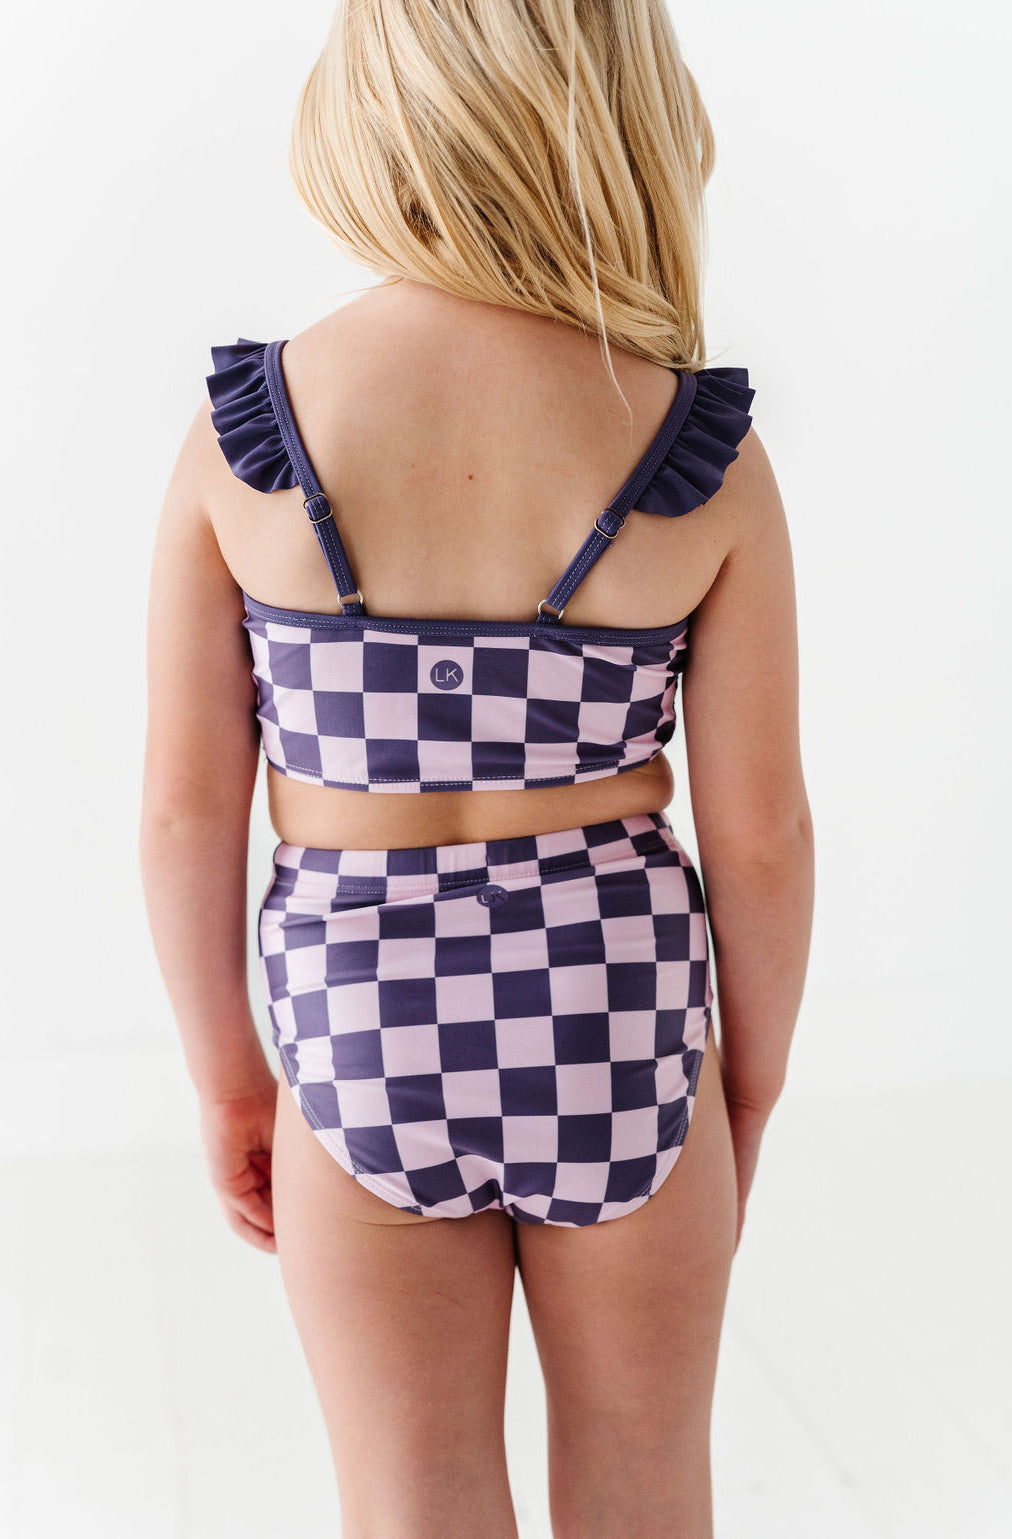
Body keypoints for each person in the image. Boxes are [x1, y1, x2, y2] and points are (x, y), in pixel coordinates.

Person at [139, 2, 814, 1534]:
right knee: (645, 1487)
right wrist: (747, 1078)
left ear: (370, 115)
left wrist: (229, 1072)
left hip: (362, 1011)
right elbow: (763, 833)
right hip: (616, 1002)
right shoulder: (687, 443)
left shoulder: (255, 434)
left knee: (412, 1499)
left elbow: (184, 809)